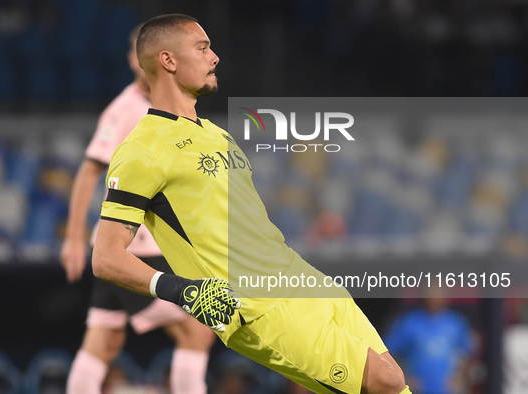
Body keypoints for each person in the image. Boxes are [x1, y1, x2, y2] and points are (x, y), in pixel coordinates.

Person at [92, 13, 412, 394]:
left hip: (303, 280)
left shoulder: (217, 134)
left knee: (396, 384)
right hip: (257, 306)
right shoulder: (141, 150)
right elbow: (106, 257)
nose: (215, 57)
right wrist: (183, 290)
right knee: (385, 383)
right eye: (202, 47)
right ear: (168, 61)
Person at [60, 25, 215, 394]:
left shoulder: (171, 109)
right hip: (137, 247)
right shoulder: (126, 109)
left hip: (131, 244)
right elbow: (88, 170)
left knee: (103, 342)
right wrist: (73, 237)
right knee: (197, 331)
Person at [383, 291, 476, 394]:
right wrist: (404, 378)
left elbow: (468, 354)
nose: (434, 297)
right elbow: (388, 353)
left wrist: (460, 378)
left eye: (438, 292)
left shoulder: (456, 323)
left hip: (447, 390)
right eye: (431, 292)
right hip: (416, 390)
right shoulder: (408, 322)